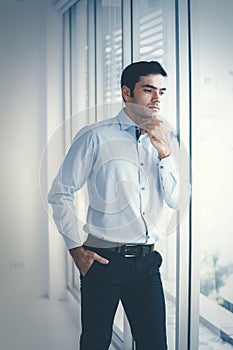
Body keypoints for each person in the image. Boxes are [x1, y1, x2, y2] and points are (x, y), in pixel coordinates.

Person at [48, 61, 183, 349]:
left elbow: (175, 199)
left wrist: (163, 152)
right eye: (149, 90)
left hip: (147, 264)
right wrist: (76, 249)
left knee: (155, 344)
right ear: (127, 92)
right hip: (103, 262)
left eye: (162, 91)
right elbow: (60, 193)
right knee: (96, 342)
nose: (157, 99)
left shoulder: (165, 139)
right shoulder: (95, 136)